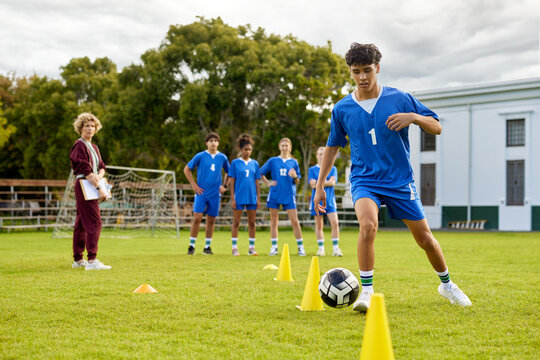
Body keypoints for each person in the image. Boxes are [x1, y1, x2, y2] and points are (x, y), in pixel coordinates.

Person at [313, 43, 471, 311]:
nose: (362, 77)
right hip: (365, 180)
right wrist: (319, 187)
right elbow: (332, 147)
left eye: (367, 70)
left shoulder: (400, 98)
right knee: (368, 225)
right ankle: (367, 292)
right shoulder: (342, 109)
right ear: (350, 72)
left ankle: (446, 285)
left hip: (400, 182)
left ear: (378, 68)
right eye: (356, 72)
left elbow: (437, 126)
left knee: (425, 240)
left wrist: (413, 117)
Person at [70, 112, 111, 270]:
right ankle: (92, 259)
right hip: (84, 184)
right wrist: (100, 188)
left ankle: (78, 259)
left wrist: (99, 178)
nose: (90, 128)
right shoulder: (79, 145)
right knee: (95, 221)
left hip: (93, 183)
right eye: (86, 125)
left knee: (81, 223)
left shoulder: (94, 147)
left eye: (92, 126)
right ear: (80, 128)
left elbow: (101, 167)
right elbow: (86, 170)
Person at [184, 132, 229, 255]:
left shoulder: (222, 157)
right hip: (201, 193)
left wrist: (225, 186)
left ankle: (207, 247)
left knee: (211, 220)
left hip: (215, 194)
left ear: (218, 143)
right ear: (207, 143)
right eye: (211, 141)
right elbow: (187, 169)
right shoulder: (200, 156)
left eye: (215, 140)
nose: (213, 143)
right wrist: (194, 185)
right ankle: (192, 246)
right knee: (197, 218)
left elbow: (229, 173)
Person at [260, 138, 305, 256]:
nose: (285, 148)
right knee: (274, 222)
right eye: (283, 145)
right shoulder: (273, 161)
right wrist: (268, 183)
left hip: (289, 195)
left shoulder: (294, 162)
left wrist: (295, 176)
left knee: (295, 221)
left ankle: (301, 248)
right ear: (279, 147)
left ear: (290, 148)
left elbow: (297, 181)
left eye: (287, 146)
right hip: (275, 193)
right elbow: (260, 173)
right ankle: (274, 247)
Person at [228, 134, 261, 256]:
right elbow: (232, 182)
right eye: (245, 149)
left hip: (252, 197)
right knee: (236, 222)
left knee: (252, 223)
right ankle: (234, 248)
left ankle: (251, 248)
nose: (248, 152)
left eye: (250, 149)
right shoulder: (235, 163)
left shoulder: (255, 164)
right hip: (239, 197)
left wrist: (258, 198)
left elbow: (257, 182)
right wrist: (233, 198)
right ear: (241, 150)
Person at [308, 146, 343, 257]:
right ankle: (321, 249)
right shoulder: (312, 170)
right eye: (320, 153)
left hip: (330, 202)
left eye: (324, 153)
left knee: (335, 223)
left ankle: (336, 249)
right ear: (316, 155)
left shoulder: (332, 168)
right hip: (317, 201)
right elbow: (312, 185)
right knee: (319, 225)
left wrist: (319, 182)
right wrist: (325, 182)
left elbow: (332, 183)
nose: (322, 155)